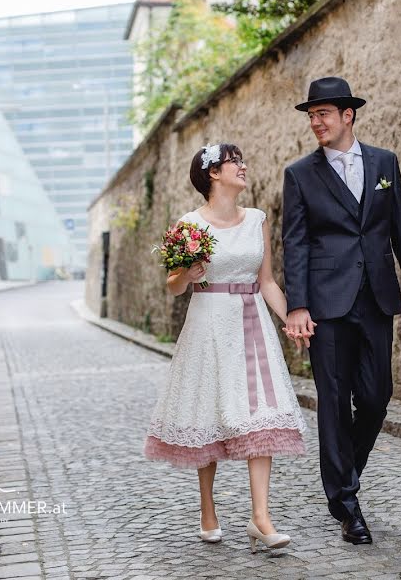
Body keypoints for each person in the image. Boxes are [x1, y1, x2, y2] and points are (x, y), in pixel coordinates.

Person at [282, 77, 401, 545]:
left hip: (377, 298)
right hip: (325, 303)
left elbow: (400, 226)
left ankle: (345, 475)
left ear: (348, 116)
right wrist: (298, 305)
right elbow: (296, 243)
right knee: (333, 399)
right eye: (311, 116)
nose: (316, 123)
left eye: (323, 114)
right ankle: (347, 504)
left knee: (375, 395)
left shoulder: (384, 162)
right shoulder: (300, 174)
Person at [144, 143, 307, 553]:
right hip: (208, 322)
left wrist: (291, 317)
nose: (244, 166)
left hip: (251, 322)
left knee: (262, 413)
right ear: (213, 173)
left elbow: (267, 280)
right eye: (236, 162)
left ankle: (260, 518)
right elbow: (174, 285)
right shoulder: (189, 224)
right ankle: (207, 507)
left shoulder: (257, 220)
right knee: (208, 412)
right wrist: (189, 272)